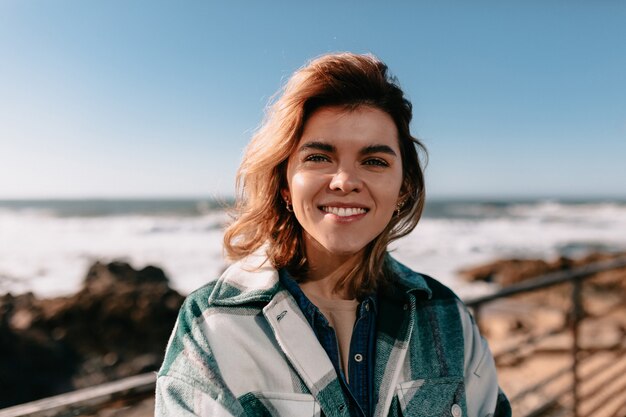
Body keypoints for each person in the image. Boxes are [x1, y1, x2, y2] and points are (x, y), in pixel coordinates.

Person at [155, 52, 511, 417]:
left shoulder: (445, 315)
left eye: (374, 161)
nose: (345, 182)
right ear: (285, 186)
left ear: (402, 188)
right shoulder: (213, 324)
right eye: (319, 158)